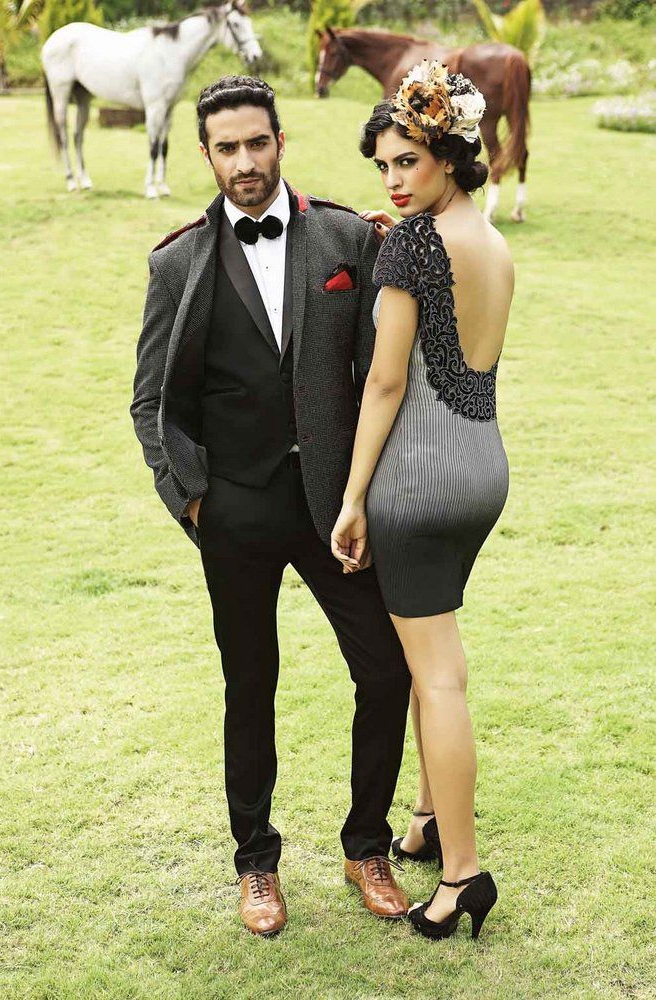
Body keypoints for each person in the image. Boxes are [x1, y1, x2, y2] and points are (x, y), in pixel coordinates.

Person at [130, 75, 412, 938]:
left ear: (280, 141)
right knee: (249, 685)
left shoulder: (345, 237)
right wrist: (190, 500)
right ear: (206, 155)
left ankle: (366, 847)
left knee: (386, 671)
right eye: (227, 148)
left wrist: (366, 493)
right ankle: (256, 862)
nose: (244, 161)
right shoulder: (176, 262)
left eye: (257, 142)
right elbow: (152, 402)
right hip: (234, 512)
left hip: (338, 508)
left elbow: (384, 373)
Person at [331, 59, 513, 941]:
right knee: (431, 659)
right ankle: (427, 818)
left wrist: (351, 497)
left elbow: (385, 382)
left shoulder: (411, 246)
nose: (393, 181)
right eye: (382, 167)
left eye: (406, 161)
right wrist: (397, 238)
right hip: (482, 472)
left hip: (416, 481)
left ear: (446, 152)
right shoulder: (491, 241)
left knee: (434, 675)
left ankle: (461, 876)